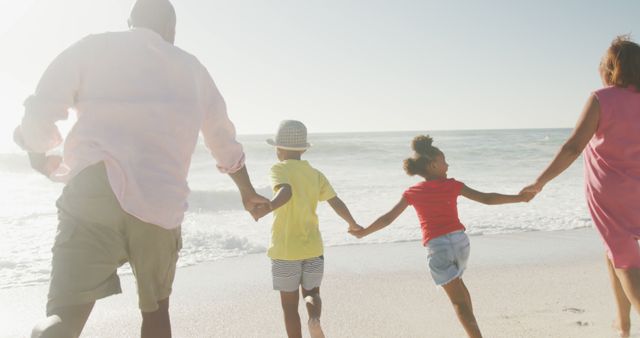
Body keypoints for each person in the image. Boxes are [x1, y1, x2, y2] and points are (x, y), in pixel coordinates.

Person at [13, 1, 269, 337]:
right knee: (156, 312)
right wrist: (247, 192)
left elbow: (40, 112)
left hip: (93, 188)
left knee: (65, 313)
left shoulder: (92, 47)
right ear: (171, 30)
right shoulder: (192, 69)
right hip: (158, 204)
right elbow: (222, 139)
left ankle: (49, 332)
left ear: (130, 21)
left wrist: (37, 153)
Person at [351, 135, 532, 338]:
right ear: (433, 165)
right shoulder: (453, 185)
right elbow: (487, 199)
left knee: (458, 302)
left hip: (439, 248)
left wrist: (364, 232)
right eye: (444, 161)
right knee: (460, 291)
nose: (448, 165)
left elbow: (387, 219)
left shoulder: (412, 192)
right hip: (461, 243)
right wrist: (520, 198)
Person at [521, 35, 640, 338]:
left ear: (611, 68)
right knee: (613, 252)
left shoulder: (602, 98)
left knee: (625, 260)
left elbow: (573, 147)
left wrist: (540, 181)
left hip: (611, 194)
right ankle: (623, 325)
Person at [252, 120, 363, 338]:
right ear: (303, 148)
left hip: (285, 250)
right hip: (313, 248)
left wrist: (268, 208)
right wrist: (352, 223)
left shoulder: (279, 168)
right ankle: (314, 319)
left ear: (279, 148)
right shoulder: (315, 173)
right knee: (312, 293)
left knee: (290, 307)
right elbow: (335, 201)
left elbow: (286, 191)